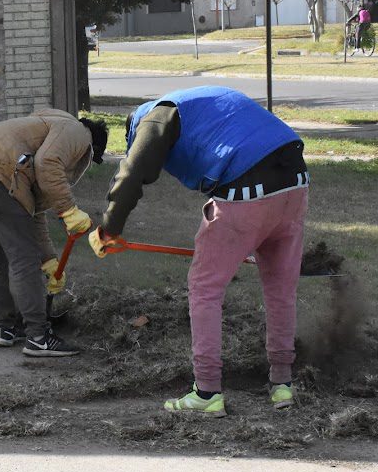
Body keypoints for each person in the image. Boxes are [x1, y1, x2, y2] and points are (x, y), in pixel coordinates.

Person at [89, 86, 308, 416]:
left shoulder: (155, 117)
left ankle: (206, 392)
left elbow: (132, 171)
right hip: (296, 181)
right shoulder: (202, 102)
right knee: (280, 290)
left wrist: (110, 227)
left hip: (246, 189)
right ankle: (282, 384)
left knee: (205, 290)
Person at [0, 109, 108, 357]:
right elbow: (48, 163)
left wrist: (49, 260)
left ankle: (6, 328)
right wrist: (69, 211)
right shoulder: (78, 133)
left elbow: (32, 213)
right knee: (24, 258)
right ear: (93, 149)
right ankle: (38, 337)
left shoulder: (42, 132)